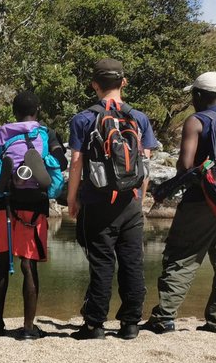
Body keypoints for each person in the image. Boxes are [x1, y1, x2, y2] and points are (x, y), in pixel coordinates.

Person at [144, 72, 216, 335]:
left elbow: (185, 166)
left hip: (202, 201)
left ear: (200, 95)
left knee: (182, 256)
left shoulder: (196, 121)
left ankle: (165, 317)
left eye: (194, 94)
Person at [67, 58, 158, 340]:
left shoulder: (83, 119)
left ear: (94, 84)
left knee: (101, 262)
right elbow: (145, 163)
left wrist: (72, 199)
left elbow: (77, 162)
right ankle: (130, 323)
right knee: (132, 262)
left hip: (97, 200)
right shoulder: (139, 118)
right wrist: (140, 199)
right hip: (130, 202)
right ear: (124, 82)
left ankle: (94, 324)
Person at [0, 91, 67, 341]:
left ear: (13, 112)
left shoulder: (1, 133)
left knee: (1, 262)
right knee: (28, 266)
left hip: (4, 204)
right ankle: (28, 328)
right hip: (34, 205)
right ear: (37, 110)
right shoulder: (47, 133)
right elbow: (61, 162)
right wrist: (45, 159)